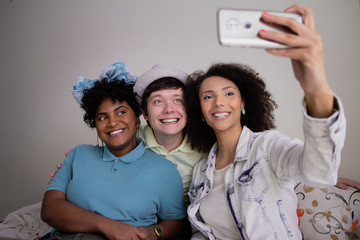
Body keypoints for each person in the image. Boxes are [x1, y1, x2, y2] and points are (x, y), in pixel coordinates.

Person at [185, 4, 346, 240]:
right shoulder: (201, 172)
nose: (219, 102)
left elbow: (321, 171)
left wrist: (316, 88)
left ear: (243, 104)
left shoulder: (267, 147)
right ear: (200, 111)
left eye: (229, 93)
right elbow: (204, 232)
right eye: (208, 97)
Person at [41, 62, 186, 240]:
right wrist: (109, 226)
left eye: (121, 112)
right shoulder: (78, 154)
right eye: (102, 117)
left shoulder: (165, 170)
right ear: (95, 124)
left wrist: (153, 232)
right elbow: (49, 209)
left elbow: (176, 224)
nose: (112, 122)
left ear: (138, 118)